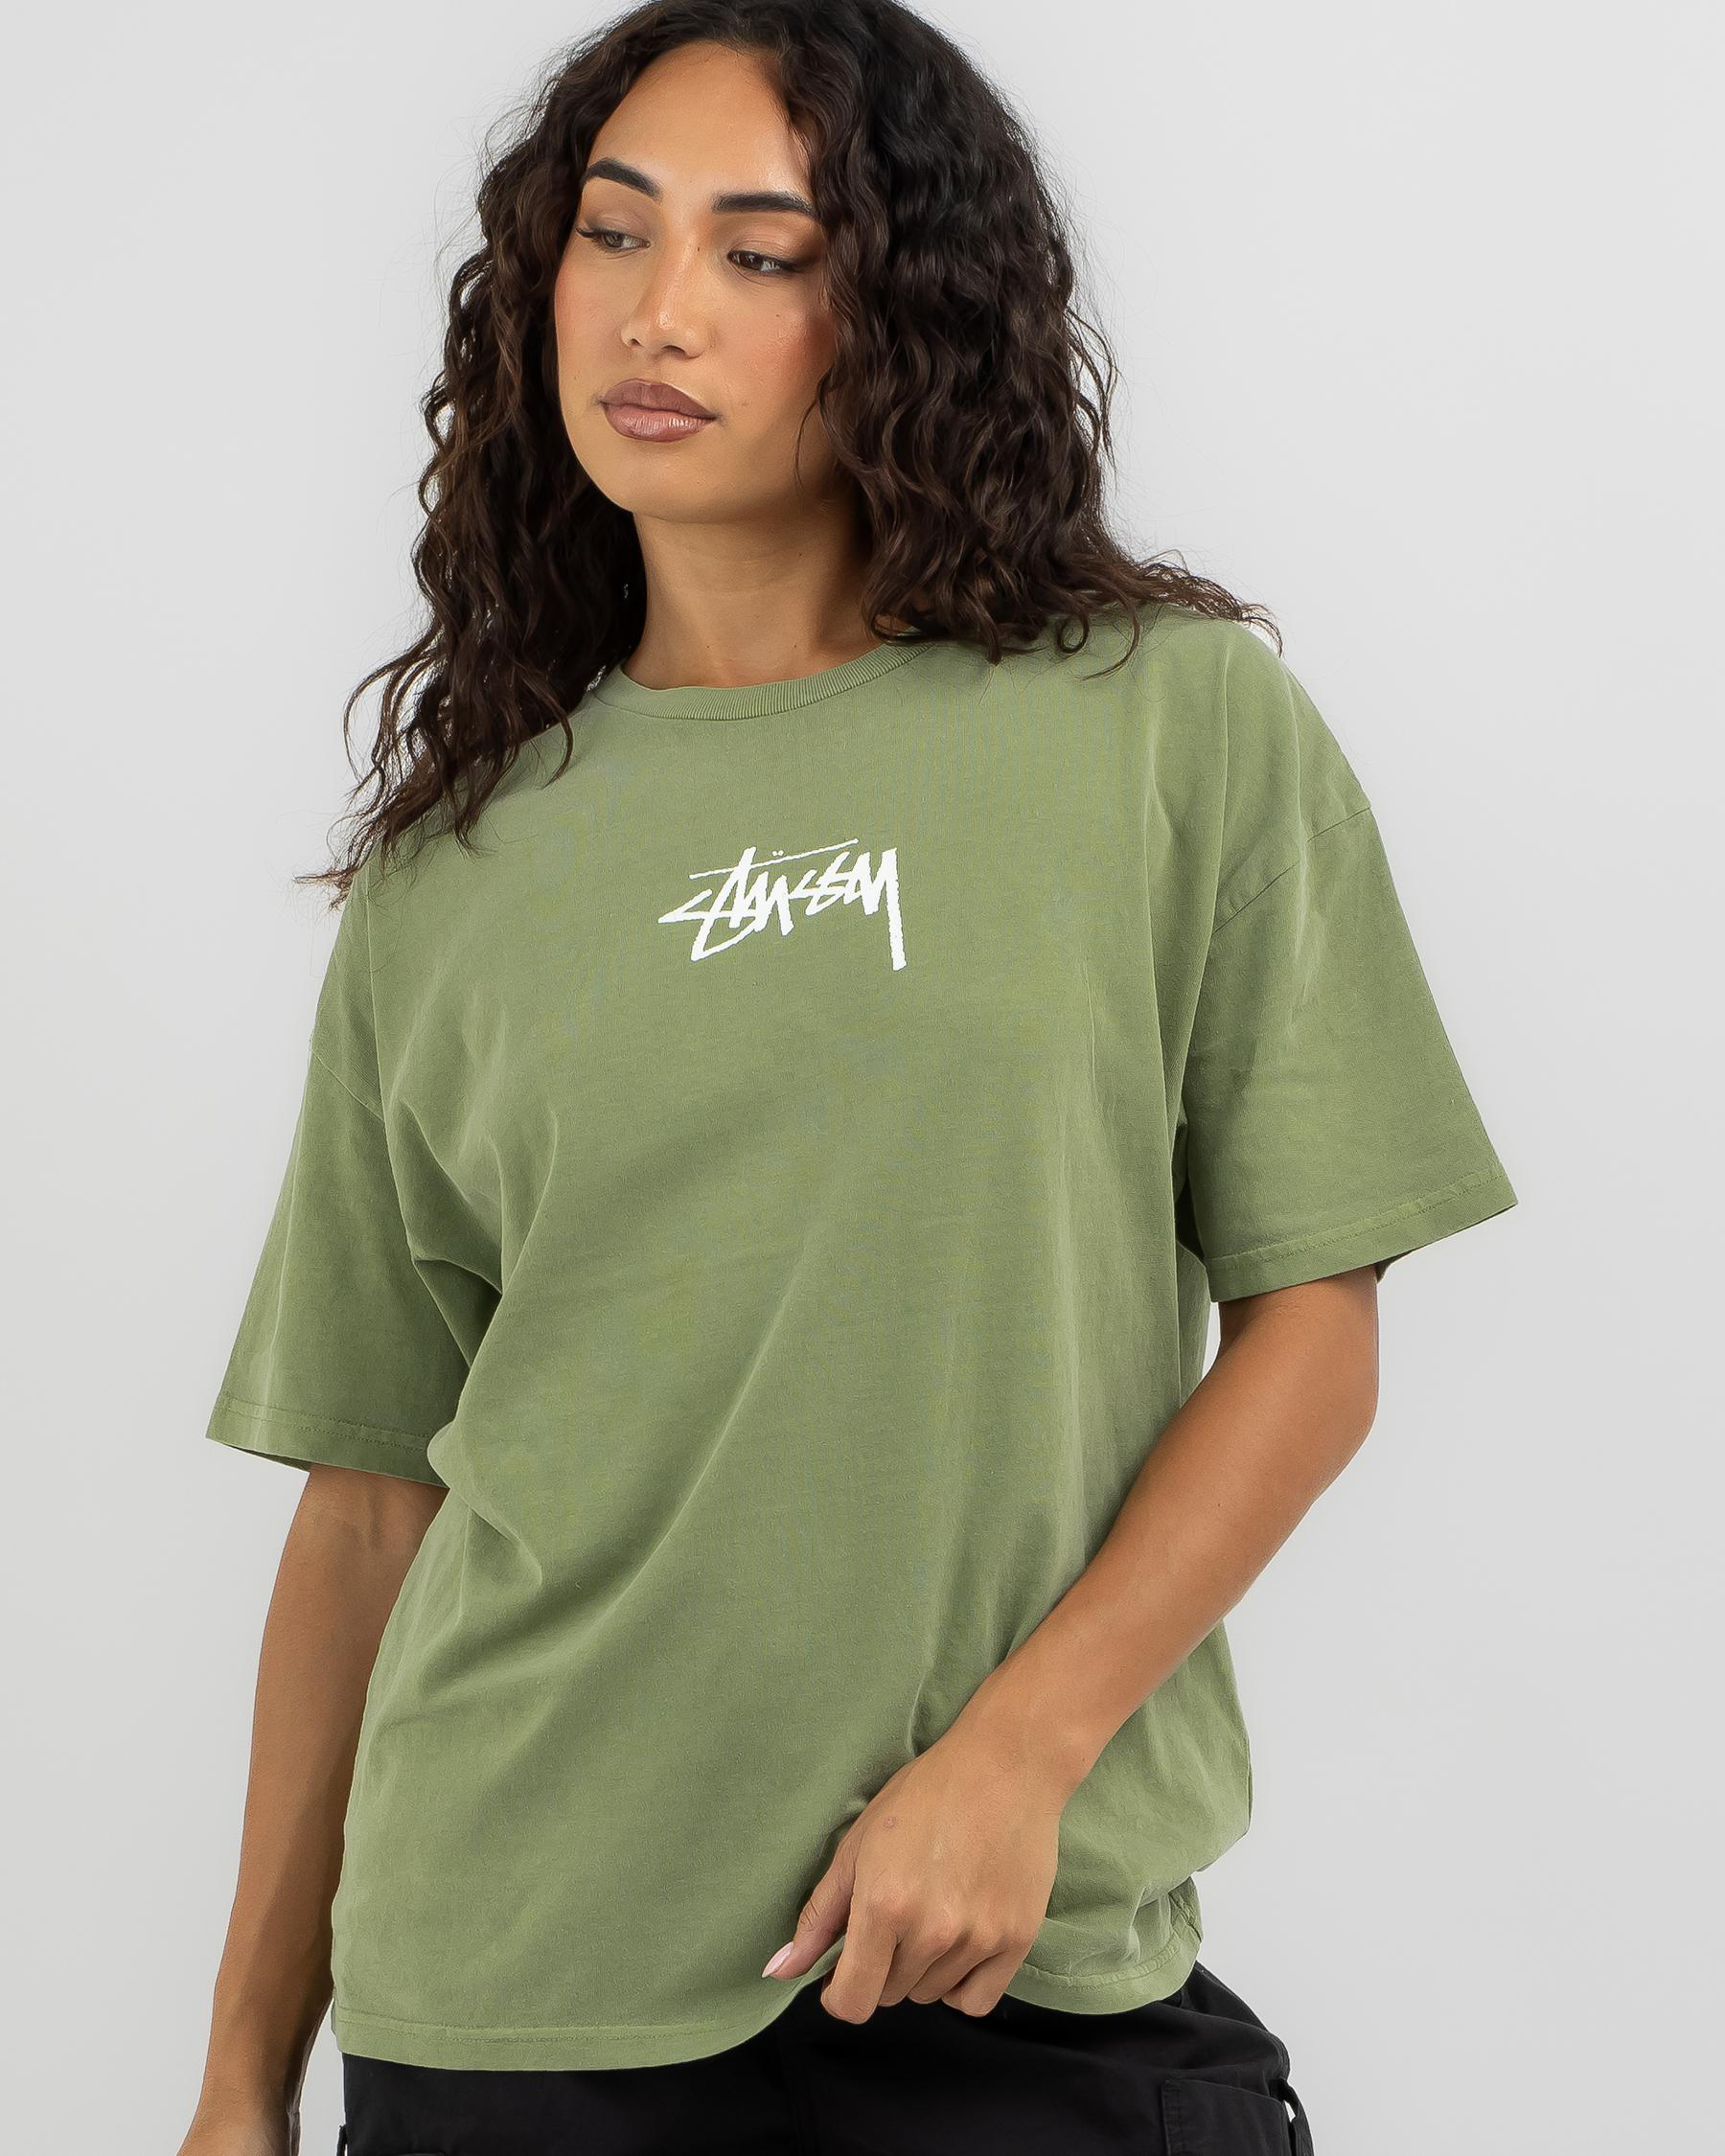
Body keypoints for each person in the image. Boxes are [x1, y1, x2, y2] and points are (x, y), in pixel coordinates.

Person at [177, 4, 1518, 2152]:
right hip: (515, 1997)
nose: (659, 311)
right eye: (613, 234)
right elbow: (366, 1508)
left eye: (760, 252)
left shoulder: (1168, 727)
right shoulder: (457, 870)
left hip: (1012, 1950)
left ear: (901, 306)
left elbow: (1316, 1328)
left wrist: (1022, 1752)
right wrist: (241, 2078)